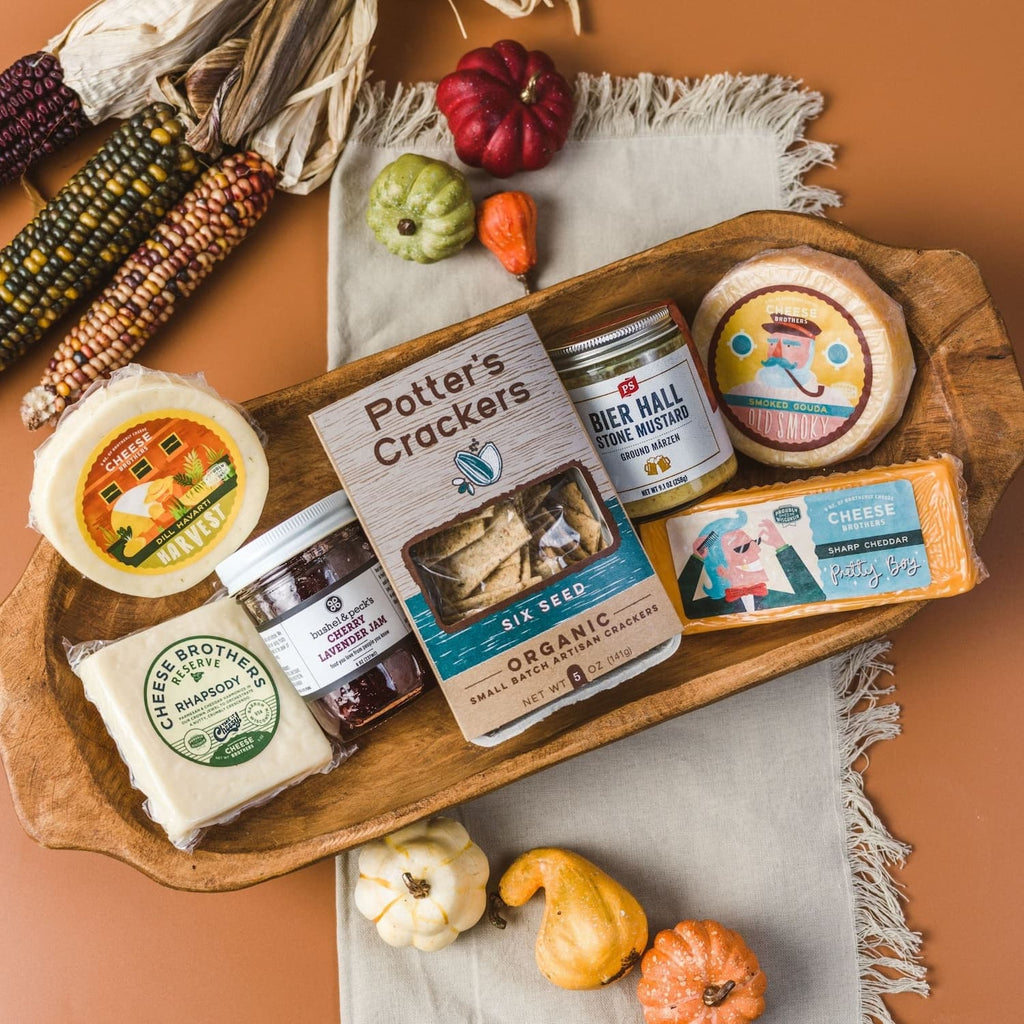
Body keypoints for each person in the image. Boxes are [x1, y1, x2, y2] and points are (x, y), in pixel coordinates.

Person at [678, 510, 825, 618]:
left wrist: (780, 546)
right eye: (743, 548)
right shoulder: (707, 610)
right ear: (721, 568)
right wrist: (696, 560)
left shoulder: (777, 598)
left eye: (755, 543)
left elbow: (816, 598)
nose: (757, 550)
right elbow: (678, 610)